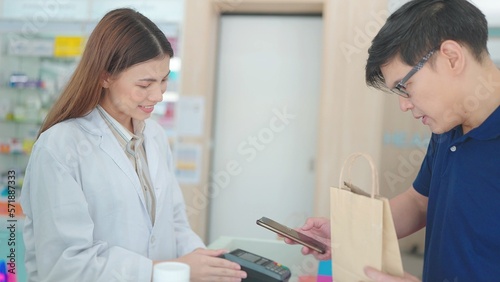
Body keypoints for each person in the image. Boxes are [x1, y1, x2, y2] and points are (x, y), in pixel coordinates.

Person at [20, 8, 247, 282]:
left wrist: (206, 261)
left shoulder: (155, 136)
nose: (158, 95)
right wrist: (168, 271)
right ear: (105, 76)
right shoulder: (59, 147)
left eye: (164, 80)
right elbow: (65, 265)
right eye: (145, 84)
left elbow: (174, 222)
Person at [286, 0, 500, 281]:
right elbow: (420, 202)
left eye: (405, 86)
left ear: (451, 57)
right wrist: (349, 233)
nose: (404, 105)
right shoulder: (448, 128)